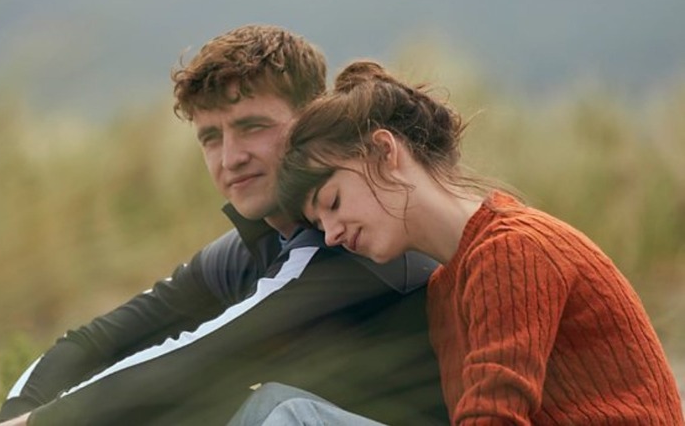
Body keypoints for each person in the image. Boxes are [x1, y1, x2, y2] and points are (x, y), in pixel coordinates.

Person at [0, 26, 449, 425]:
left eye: (253, 127)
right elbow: (98, 341)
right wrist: (14, 415)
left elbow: (199, 358)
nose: (231, 158)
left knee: (268, 408)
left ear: (310, 118)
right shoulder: (252, 247)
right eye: (211, 137)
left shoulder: (357, 245)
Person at [266, 59, 685, 424]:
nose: (333, 233)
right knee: (280, 403)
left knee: (294, 417)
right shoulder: (446, 289)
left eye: (333, 202)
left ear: (384, 152)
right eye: (321, 225)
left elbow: (494, 417)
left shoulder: (513, 248)